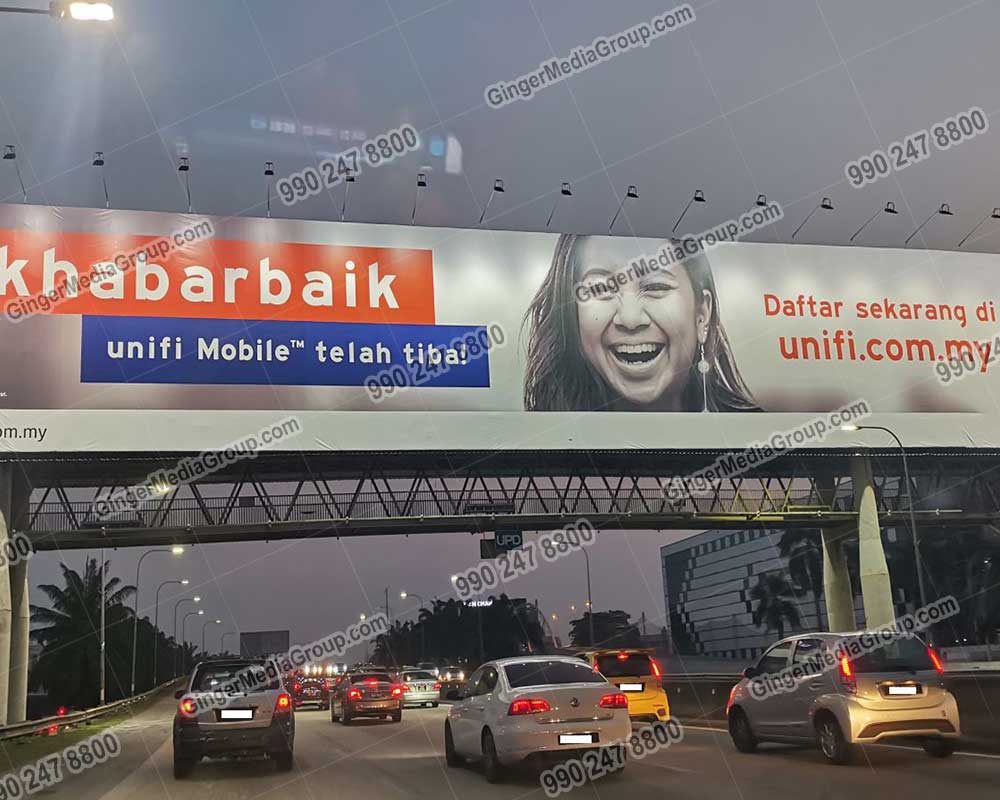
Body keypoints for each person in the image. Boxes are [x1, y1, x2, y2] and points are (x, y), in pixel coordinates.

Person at [523, 233, 759, 412]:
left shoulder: (761, 441)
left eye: (656, 287)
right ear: (571, 318)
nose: (630, 318)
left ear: (702, 314)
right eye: (602, 288)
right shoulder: (539, 443)